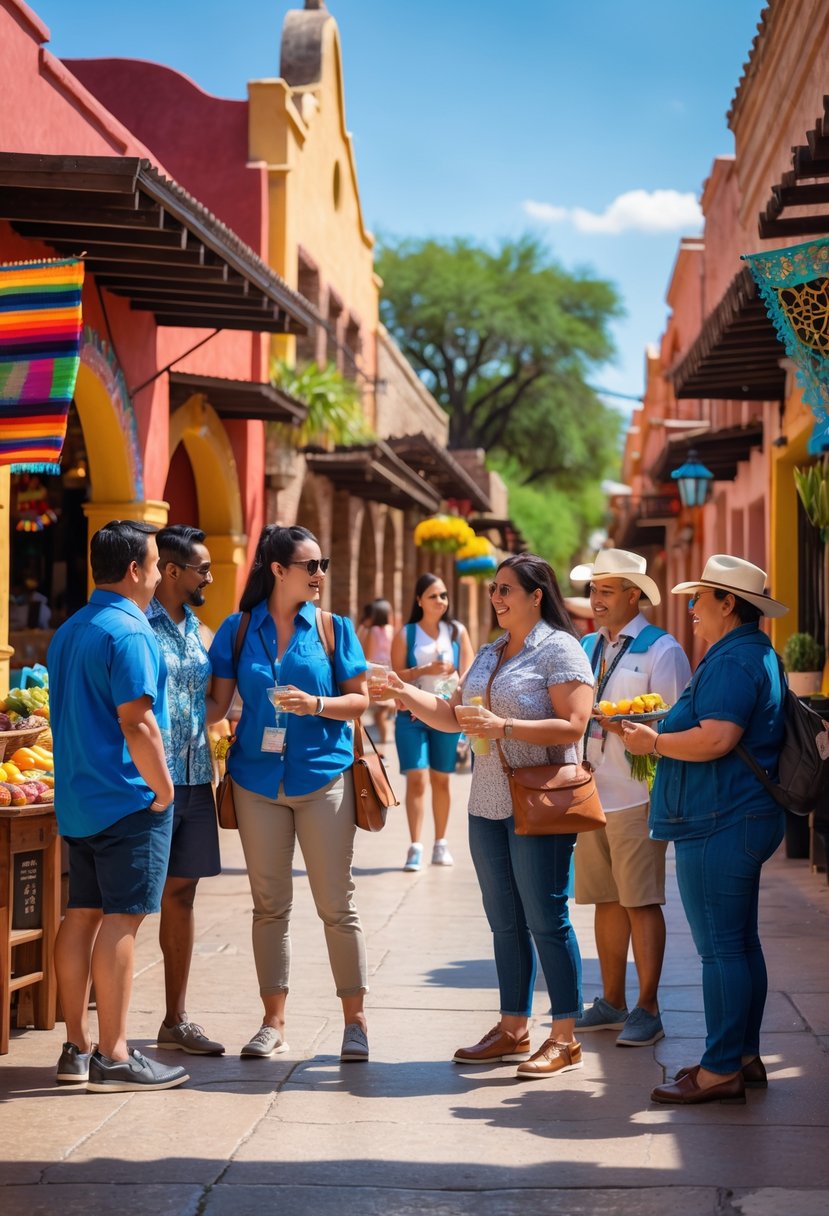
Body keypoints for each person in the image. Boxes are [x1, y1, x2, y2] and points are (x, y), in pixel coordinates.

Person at [374, 554, 594, 1079]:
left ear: (537, 594)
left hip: (540, 804)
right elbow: (454, 718)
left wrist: (506, 728)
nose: (496, 598)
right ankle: (513, 1027)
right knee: (504, 923)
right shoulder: (492, 650)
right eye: (494, 589)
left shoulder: (559, 648)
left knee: (547, 918)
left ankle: (564, 1037)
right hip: (488, 805)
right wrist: (405, 693)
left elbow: (575, 725)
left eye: (506, 590)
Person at [622, 555, 788, 1105]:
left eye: (701, 598)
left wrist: (655, 743)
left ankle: (720, 1069)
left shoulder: (734, 660)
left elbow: (717, 738)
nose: (692, 607)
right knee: (739, 944)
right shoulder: (750, 654)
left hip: (722, 818)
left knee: (720, 949)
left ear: (728, 604)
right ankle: (741, 1054)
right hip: (735, 815)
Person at [209, 525, 371, 1062]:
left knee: (336, 905)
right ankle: (272, 1023)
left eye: (322, 564)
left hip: (323, 777)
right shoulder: (237, 629)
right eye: (311, 565)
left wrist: (316, 704)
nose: (320, 573)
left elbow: (360, 702)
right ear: (278, 570)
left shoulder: (333, 629)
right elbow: (216, 705)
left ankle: (356, 1023)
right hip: (255, 780)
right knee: (269, 906)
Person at [48, 521, 188, 1092]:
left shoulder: (71, 629)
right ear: (134, 570)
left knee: (79, 914)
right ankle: (115, 1053)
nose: (159, 574)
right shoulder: (130, 633)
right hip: (126, 799)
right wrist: (165, 789)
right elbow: (137, 720)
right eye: (155, 564)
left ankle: (75, 1049)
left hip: (79, 798)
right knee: (123, 919)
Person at [569, 549, 691, 1047]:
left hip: (639, 795)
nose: (595, 600)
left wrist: (632, 727)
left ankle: (649, 1007)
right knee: (605, 900)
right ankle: (612, 1002)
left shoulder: (662, 650)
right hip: (592, 793)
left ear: (634, 595)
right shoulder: (587, 646)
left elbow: (677, 723)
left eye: (606, 590)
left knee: (641, 901)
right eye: (593, 590)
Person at [147, 525, 224, 1057]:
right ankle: (94, 1034)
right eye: (202, 568)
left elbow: (213, 705)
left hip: (196, 782)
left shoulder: (203, 631)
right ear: (171, 571)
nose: (210, 576)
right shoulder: (135, 626)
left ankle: (175, 1018)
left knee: (183, 894)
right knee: (120, 904)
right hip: (148, 784)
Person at [391, 573, 474, 871]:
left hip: (445, 714)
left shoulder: (456, 631)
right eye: (433, 596)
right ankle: (415, 845)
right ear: (419, 601)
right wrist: (424, 669)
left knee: (442, 778)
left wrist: (453, 678)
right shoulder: (407, 634)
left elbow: (470, 673)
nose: (440, 601)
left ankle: (440, 843)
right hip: (410, 716)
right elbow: (394, 677)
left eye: (443, 595)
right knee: (416, 777)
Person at [362, 598, 395, 749]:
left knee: (374, 711)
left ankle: (380, 745)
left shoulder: (373, 631)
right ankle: (382, 742)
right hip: (388, 670)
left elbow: (368, 654)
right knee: (381, 710)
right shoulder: (391, 629)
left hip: (375, 672)